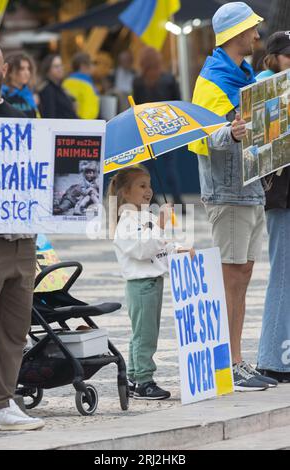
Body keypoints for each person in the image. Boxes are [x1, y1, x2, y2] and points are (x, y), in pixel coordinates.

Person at [188, 2, 278, 391]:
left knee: (242, 274)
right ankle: (229, 363)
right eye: (252, 30)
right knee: (232, 276)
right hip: (228, 190)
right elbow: (203, 135)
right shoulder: (213, 79)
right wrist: (233, 133)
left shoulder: (241, 73)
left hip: (248, 186)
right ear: (235, 34)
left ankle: (236, 359)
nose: (258, 36)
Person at [0, 43, 44, 433]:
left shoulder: (19, 119)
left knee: (14, 329)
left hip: (21, 240)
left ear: (3, 70)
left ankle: (1, 402)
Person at [108, 165, 194, 400]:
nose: (149, 191)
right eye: (142, 186)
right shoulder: (125, 222)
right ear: (125, 192)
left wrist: (178, 248)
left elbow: (160, 247)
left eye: (149, 185)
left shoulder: (144, 218)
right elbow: (142, 250)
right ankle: (144, 380)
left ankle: (135, 377)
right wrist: (161, 224)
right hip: (141, 286)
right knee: (144, 335)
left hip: (153, 283)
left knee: (145, 332)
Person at [256, 32, 290, 383]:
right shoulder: (264, 87)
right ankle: (272, 359)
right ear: (275, 57)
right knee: (282, 275)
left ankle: (282, 355)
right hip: (281, 193)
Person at [133, 47, 185, 208]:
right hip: (168, 128)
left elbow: (136, 106)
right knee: (170, 167)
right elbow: (178, 103)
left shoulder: (138, 81)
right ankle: (178, 200)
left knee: (148, 168)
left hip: (147, 129)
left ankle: (152, 199)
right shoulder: (169, 79)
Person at [38, 54, 77, 119]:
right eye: (56, 66)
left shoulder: (60, 88)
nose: (60, 69)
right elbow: (50, 116)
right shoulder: (47, 90)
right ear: (47, 70)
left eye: (61, 65)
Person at [62, 52, 100, 120]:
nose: (94, 67)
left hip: (69, 123)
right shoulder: (86, 85)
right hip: (85, 125)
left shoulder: (65, 83)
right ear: (83, 66)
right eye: (92, 63)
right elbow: (89, 110)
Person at [2, 53, 39, 118]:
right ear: (10, 72)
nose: (27, 72)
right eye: (22, 69)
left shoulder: (30, 94)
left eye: (28, 68)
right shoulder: (2, 94)